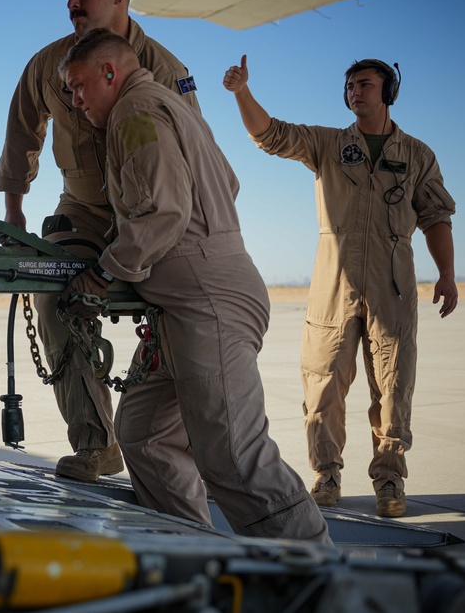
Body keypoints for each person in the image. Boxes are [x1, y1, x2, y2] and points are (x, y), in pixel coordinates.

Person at [56, 28, 331, 542]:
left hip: (206, 299)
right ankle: (193, 557)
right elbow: (227, 181)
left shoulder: (135, 113)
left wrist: (103, 270)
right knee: (143, 435)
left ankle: (318, 577)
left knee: (234, 460)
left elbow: (164, 210)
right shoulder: (171, 106)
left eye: (78, 87)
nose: (75, 101)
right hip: (183, 305)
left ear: (110, 73)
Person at [0, 0, 200, 482]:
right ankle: (96, 444)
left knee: (182, 310)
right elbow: (22, 134)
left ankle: (178, 450)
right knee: (56, 294)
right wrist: (15, 213)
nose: (72, 4)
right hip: (83, 210)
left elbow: (193, 153)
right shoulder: (48, 64)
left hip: (152, 212)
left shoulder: (166, 69)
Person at [222, 56, 457, 518]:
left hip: (392, 281)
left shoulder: (417, 154)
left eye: (365, 85)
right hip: (334, 281)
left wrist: (446, 274)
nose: (355, 92)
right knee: (323, 380)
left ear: (388, 93)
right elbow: (270, 134)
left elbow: (436, 217)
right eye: (349, 86)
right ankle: (326, 475)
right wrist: (242, 93)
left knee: (393, 384)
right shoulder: (328, 144)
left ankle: (390, 479)